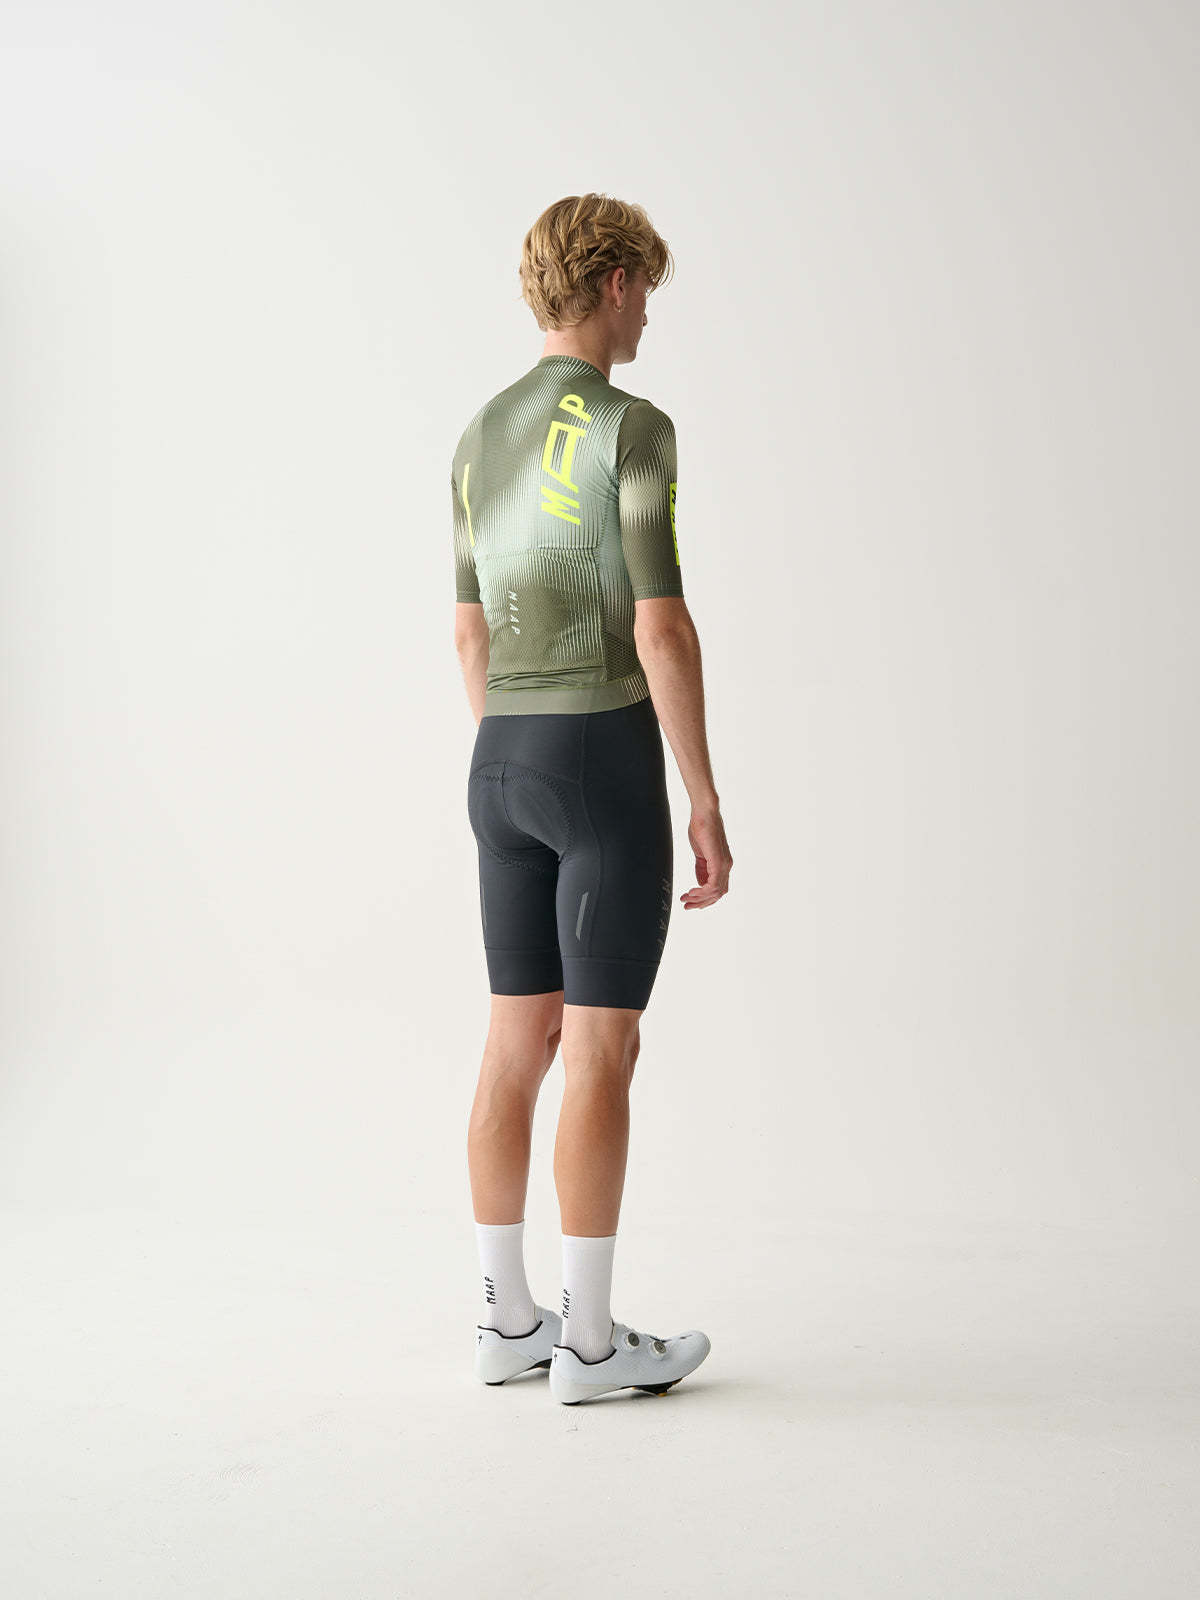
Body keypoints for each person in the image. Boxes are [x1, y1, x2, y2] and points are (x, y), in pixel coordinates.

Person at [451, 193, 733, 1405]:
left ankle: (507, 1320)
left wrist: (513, 755)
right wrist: (703, 796)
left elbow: (470, 634)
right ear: (613, 282)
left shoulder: (479, 437)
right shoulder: (633, 427)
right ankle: (594, 1344)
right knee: (604, 1048)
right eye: (645, 292)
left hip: (499, 759)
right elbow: (661, 627)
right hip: (597, 755)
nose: (648, 318)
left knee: (516, 1042)